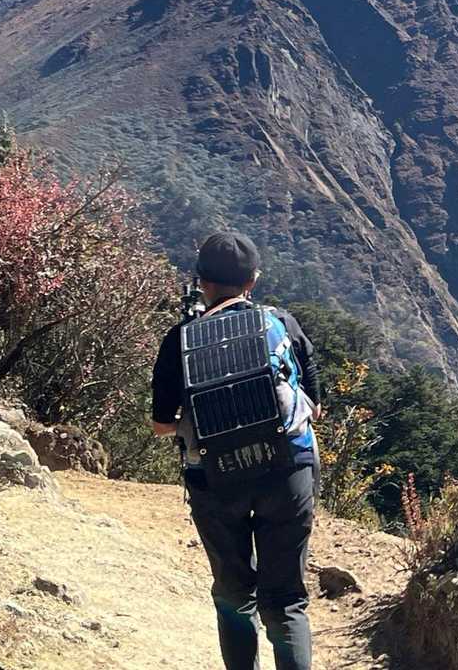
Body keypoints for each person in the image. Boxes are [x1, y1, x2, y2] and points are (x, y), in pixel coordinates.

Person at [151, 230, 322, 670]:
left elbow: (161, 426)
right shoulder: (282, 323)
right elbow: (315, 408)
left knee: (233, 594)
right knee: (286, 599)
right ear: (253, 280)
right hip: (288, 471)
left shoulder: (180, 339)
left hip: (214, 479)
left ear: (201, 282)